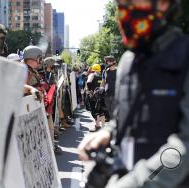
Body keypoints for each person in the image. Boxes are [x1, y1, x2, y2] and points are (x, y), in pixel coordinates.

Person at [78, 0, 189, 187]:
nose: (123, 12)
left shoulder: (184, 57)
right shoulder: (128, 62)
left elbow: (184, 146)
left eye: (130, 2)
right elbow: (122, 119)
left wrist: (137, 182)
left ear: (163, 4)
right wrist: (108, 132)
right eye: (120, 4)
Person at [101, 55, 117, 120]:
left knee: (114, 111)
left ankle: (116, 126)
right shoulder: (105, 71)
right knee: (109, 111)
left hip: (115, 94)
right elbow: (103, 82)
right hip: (107, 94)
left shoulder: (119, 71)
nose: (108, 63)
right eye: (107, 61)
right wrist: (100, 90)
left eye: (110, 61)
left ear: (114, 62)